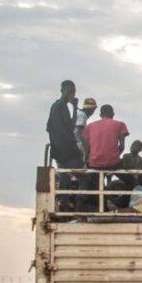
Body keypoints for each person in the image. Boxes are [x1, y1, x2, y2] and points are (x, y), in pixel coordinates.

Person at [83, 104, 130, 210]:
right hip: (113, 163)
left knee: (96, 186)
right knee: (130, 180)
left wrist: (91, 158)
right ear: (113, 114)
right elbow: (122, 146)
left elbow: (87, 148)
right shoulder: (120, 124)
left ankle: (103, 208)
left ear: (100, 114)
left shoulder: (90, 126)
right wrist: (113, 156)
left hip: (94, 163)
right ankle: (122, 203)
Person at [47, 80, 82, 211]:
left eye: (73, 92)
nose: (71, 94)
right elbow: (71, 127)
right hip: (68, 149)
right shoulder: (62, 106)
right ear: (62, 90)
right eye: (69, 91)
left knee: (64, 178)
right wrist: (74, 108)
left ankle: (64, 204)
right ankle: (80, 205)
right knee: (85, 177)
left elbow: (48, 127)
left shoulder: (55, 106)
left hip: (58, 150)